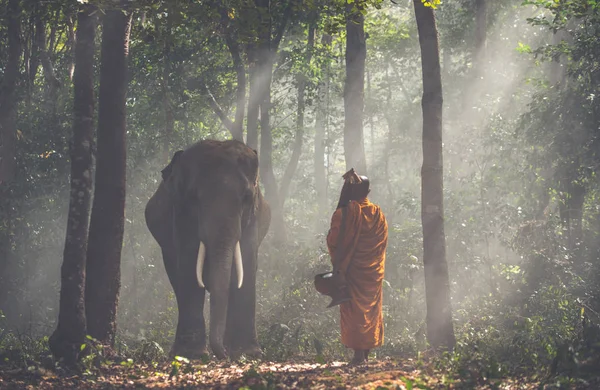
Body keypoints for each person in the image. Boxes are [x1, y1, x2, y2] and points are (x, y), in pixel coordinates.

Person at [326, 171, 388, 364]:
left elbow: (334, 240)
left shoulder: (344, 213)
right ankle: (365, 353)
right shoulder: (378, 214)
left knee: (353, 310)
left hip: (351, 272)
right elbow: (382, 243)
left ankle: (358, 355)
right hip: (373, 273)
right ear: (368, 191)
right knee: (370, 310)